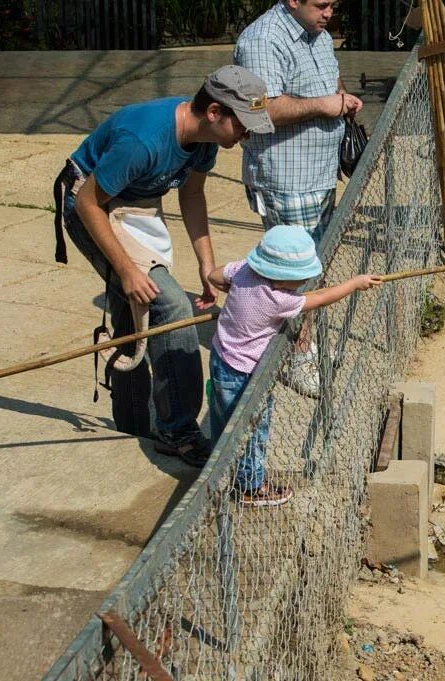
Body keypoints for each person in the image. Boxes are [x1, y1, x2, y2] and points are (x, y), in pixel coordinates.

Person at [54, 65, 275, 467]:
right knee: (168, 303)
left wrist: (207, 267)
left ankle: (133, 422)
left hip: (133, 205)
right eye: (243, 124)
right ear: (214, 112)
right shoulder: (144, 141)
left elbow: (192, 195)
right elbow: (88, 202)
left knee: (135, 310)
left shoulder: (205, 140)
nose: (248, 133)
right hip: (89, 202)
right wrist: (126, 269)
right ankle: (178, 430)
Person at [233, 0, 364, 398]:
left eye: (333, 5)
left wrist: (342, 99)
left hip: (320, 172)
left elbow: (331, 81)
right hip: (287, 178)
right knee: (292, 275)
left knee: (312, 264)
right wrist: (326, 105)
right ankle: (298, 355)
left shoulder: (317, 34)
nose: (328, 13)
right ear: (292, 0)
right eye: (321, 4)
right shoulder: (262, 40)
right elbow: (258, 112)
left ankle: (302, 339)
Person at [207, 225, 383, 507]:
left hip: (220, 357)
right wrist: (354, 283)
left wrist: (235, 293)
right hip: (245, 373)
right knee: (253, 428)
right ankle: (251, 486)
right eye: (299, 279)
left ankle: (217, 464)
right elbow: (319, 299)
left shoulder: (243, 272)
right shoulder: (277, 300)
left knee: (223, 417)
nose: (303, 284)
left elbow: (214, 275)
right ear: (282, 278)